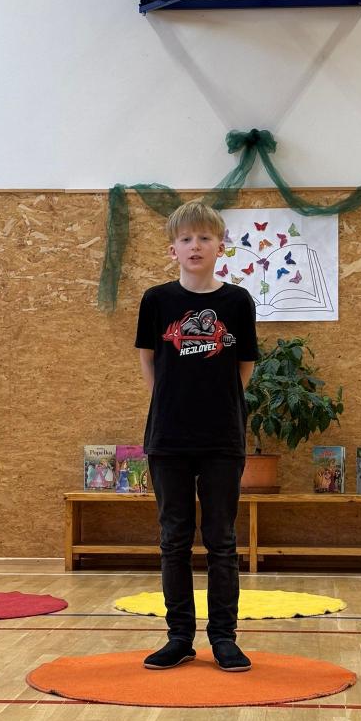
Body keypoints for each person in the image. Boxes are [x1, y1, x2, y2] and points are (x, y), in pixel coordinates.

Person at [135, 200, 258, 672]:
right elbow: (148, 359)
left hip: (222, 437)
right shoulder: (156, 300)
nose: (195, 246)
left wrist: (218, 404)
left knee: (222, 540)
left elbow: (244, 364)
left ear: (219, 247)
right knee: (174, 539)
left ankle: (224, 637)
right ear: (173, 250)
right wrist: (171, 402)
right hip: (168, 437)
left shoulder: (237, 302)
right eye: (186, 239)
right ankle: (179, 637)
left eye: (204, 238)